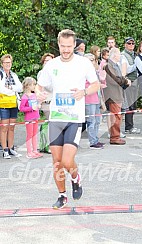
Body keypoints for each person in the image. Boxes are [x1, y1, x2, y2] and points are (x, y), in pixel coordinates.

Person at [36, 29, 99, 209]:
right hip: (56, 118)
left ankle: (76, 178)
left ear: (74, 46)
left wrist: (84, 92)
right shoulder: (52, 65)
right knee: (56, 162)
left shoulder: (83, 63)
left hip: (74, 118)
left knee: (66, 161)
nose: (65, 50)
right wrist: (40, 95)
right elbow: (40, 86)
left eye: (69, 47)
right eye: (62, 46)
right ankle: (62, 195)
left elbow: (95, 84)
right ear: (58, 45)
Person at [103, 47, 131, 145]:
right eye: (119, 54)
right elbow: (117, 80)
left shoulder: (114, 65)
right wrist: (126, 81)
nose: (120, 56)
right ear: (114, 55)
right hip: (113, 95)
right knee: (115, 117)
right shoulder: (109, 66)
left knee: (117, 116)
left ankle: (116, 136)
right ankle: (115, 137)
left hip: (117, 94)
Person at [0, 54, 22, 159]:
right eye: (6, 62)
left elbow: (20, 87)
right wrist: (12, 90)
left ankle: (11, 148)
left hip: (13, 103)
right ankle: (5, 150)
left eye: (9, 62)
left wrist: (10, 87)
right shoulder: (0, 74)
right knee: (4, 127)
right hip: (3, 104)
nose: (8, 64)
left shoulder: (13, 75)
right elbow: (1, 89)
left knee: (12, 127)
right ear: (2, 63)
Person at [84, 53, 105, 149]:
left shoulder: (94, 71)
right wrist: (95, 86)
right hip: (89, 100)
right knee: (91, 121)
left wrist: (102, 102)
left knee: (97, 120)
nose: (91, 61)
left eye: (93, 59)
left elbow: (100, 87)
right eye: (89, 60)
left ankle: (95, 139)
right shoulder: (83, 73)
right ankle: (92, 141)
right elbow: (83, 86)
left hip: (96, 98)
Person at [20, 77, 43, 159]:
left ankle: (35, 150)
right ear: (28, 85)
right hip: (29, 119)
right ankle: (29, 152)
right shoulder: (24, 97)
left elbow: (37, 104)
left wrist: (38, 105)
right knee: (29, 135)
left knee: (34, 134)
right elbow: (21, 108)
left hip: (35, 117)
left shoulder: (34, 95)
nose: (34, 86)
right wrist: (31, 108)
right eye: (33, 84)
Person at [121, 37, 140, 134]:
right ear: (125, 44)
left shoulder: (134, 55)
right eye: (129, 43)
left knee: (133, 105)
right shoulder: (123, 55)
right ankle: (128, 127)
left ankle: (130, 126)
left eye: (133, 43)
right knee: (129, 104)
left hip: (135, 81)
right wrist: (136, 64)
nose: (131, 45)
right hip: (128, 82)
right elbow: (126, 70)